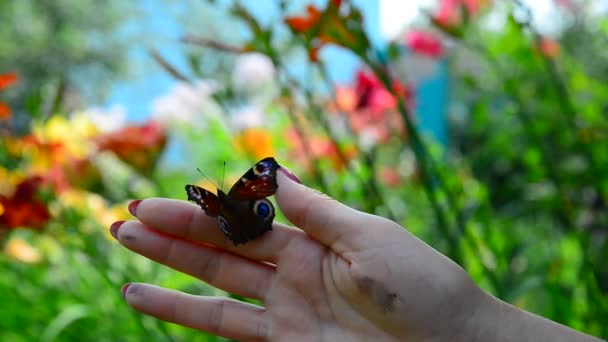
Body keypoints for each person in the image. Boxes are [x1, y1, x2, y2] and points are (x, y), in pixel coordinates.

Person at [110, 166, 602, 341]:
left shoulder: (218, 201)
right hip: (247, 216)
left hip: (238, 222)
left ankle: (239, 221)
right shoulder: (244, 190)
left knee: (234, 225)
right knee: (240, 219)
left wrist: (466, 328)